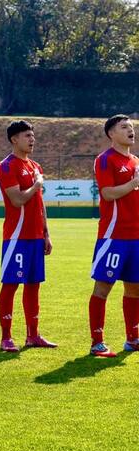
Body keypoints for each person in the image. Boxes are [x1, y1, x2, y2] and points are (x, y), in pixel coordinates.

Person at [0, 120, 56, 352]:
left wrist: (46, 233)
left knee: (33, 285)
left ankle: (33, 336)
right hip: (16, 237)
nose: (32, 139)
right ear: (14, 139)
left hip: (35, 237)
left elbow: (40, 205)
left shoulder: (35, 166)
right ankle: (6, 337)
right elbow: (17, 199)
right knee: (11, 284)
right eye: (27, 136)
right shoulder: (7, 166)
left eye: (33, 135)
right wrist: (36, 185)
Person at [88, 114, 139, 357]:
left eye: (132, 127)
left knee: (135, 289)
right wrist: (133, 183)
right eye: (124, 127)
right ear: (111, 134)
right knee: (102, 288)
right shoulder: (105, 160)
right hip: (113, 237)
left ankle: (133, 338)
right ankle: (97, 342)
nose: (131, 130)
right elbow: (107, 194)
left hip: (136, 237)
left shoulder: (135, 161)